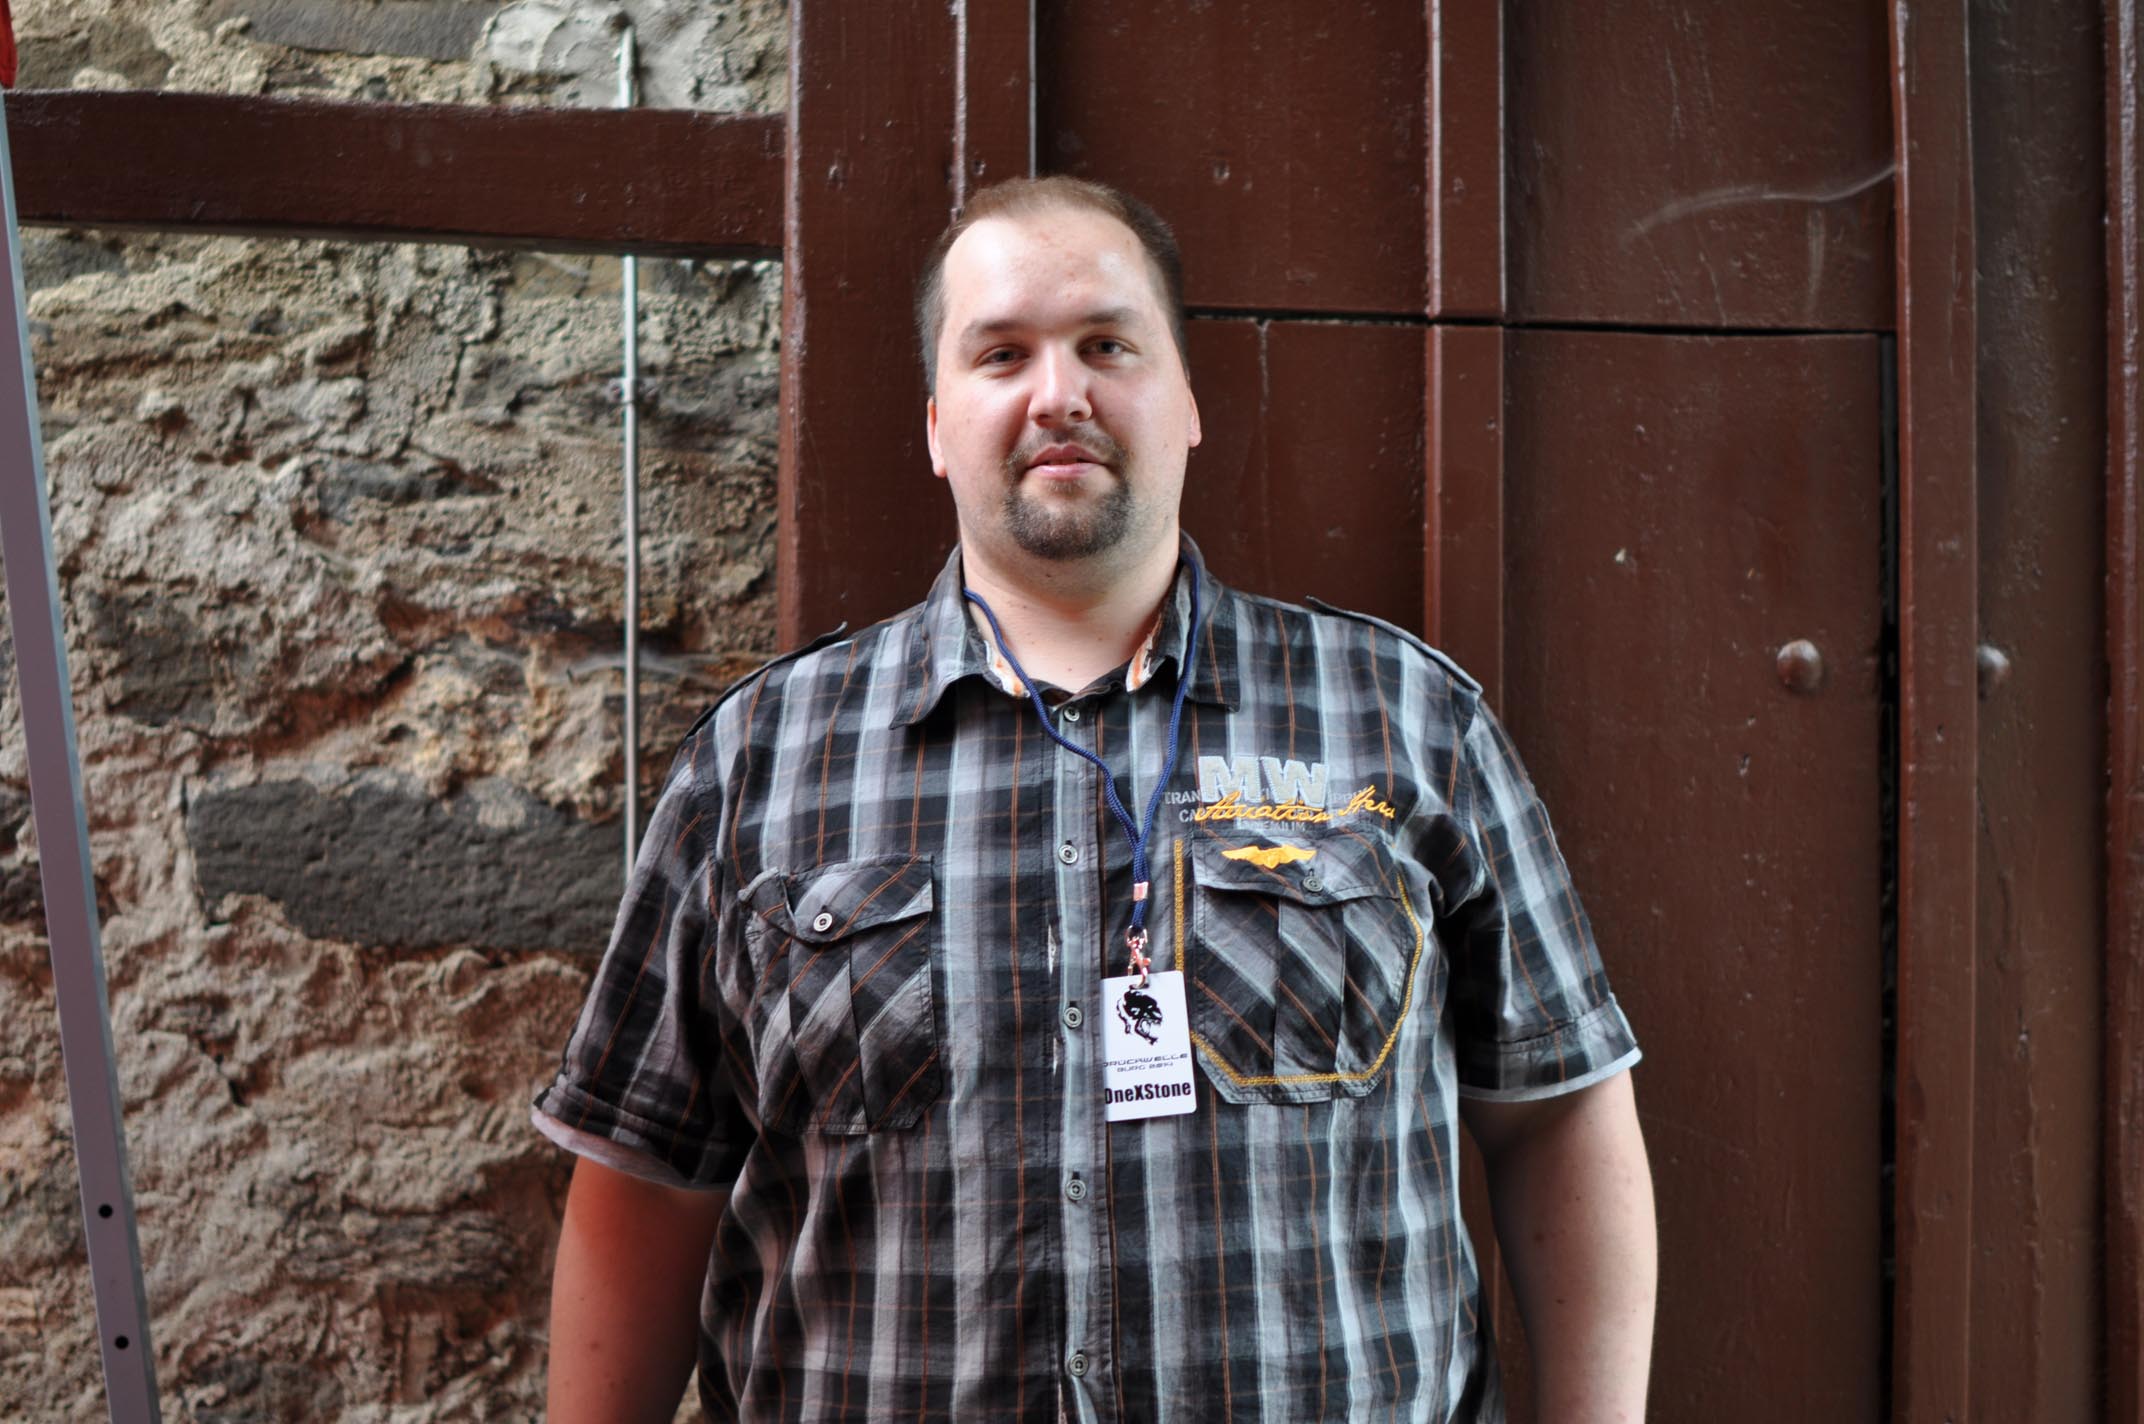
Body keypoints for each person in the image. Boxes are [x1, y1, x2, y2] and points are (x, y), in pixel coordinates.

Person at [536, 175, 1656, 1423]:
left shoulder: (1406, 718)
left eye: (1106, 345)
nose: (1057, 392)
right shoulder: (758, 759)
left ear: (1186, 402)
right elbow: (646, 1179)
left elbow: (1559, 1113)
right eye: (1000, 353)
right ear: (936, 424)